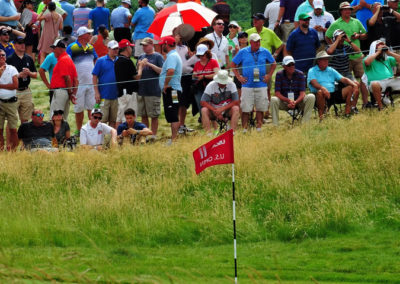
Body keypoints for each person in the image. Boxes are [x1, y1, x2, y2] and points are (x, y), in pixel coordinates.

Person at [326, 2, 369, 107]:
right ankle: (349, 104)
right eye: (345, 9)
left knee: (363, 79)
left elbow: (365, 35)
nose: (348, 11)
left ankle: (365, 103)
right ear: (341, 11)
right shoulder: (336, 23)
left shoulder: (356, 21)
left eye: (349, 9)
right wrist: (334, 45)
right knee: (346, 82)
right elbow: (327, 36)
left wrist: (358, 36)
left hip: (356, 55)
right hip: (343, 57)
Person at [231, 33, 276, 132]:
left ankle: (259, 128)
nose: (258, 43)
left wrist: (269, 75)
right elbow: (233, 64)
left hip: (261, 84)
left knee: (260, 107)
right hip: (247, 85)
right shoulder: (243, 52)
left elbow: (273, 63)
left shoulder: (265, 51)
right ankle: (245, 129)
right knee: (246, 108)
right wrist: (239, 77)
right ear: (250, 42)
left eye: (259, 41)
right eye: (255, 41)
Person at [307, 51, 358, 120]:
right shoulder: (312, 70)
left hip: (333, 93)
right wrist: (323, 88)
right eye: (324, 60)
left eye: (327, 59)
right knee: (320, 92)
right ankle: (322, 118)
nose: (327, 61)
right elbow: (313, 82)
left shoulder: (330, 70)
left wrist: (353, 84)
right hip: (319, 95)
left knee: (350, 88)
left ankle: (347, 113)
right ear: (318, 61)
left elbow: (343, 79)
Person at [66, 26, 97, 133]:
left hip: (91, 83)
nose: (90, 35)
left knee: (91, 108)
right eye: (89, 34)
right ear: (83, 35)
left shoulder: (91, 47)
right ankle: (79, 131)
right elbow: (68, 63)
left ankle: (91, 130)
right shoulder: (72, 47)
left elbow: (95, 60)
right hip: (78, 84)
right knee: (79, 109)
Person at [270, 56, 315, 125]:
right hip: (285, 102)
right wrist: (288, 101)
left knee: (311, 97)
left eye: (293, 64)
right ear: (284, 66)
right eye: (288, 65)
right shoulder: (279, 74)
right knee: (273, 99)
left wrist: (295, 102)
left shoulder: (300, 74)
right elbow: (277, 93)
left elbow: (302, 93)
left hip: (298, 101)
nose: (291, 66)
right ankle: (275, 125)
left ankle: (305, 124)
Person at [326, 29, 361, 112]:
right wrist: (337, 39)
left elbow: (358, 51)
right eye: (340, 37)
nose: (342, 39)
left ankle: (352, 107)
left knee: (356, 84)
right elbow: (329, 52)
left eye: (343, 37)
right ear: (335, 38)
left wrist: (349, 41)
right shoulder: (330, 46)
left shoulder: (346, 47)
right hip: (335, 75)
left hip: (346, 73)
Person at [137, 37, 163, 139]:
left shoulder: (157, 56)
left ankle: (153, 135)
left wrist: (148, 64)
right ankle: (146, 134)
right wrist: (140, 66)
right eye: (143, 45)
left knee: (154, 115)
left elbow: (161, 71)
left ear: (152, 45)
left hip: (153, 90)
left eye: (146, 45)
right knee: (143, 114)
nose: (144, 47)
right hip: (142, 90)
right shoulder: (140, 56)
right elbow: (137, 73)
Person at [6, 36, 36, 123]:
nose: (23, 45)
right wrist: (18, 75)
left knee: (25, 120)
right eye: (20, 43)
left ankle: (23, 137)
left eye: (23, 43)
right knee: (11, 120)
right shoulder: (9, 59)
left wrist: (29, 73)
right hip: (14, 91)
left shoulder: (29, 58)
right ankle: (11, 137)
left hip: (26, 91)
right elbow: (5, 78)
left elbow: (35, 75)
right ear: (15, 45)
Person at [363, 40, 400, 109]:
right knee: (375, 84)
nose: (382, 49)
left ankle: (386, 100)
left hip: (390, 80)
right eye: (378, 47)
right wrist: (378, 52)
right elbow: (367, 62)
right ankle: (381, 107)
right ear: (373, 49)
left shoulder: (388, 59)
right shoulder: (367, 59)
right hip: (378, 83)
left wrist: (389, 52)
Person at [158, 36, 182, 143]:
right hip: (174, 90)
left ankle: (174, 138)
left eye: (163, 44)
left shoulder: (172, 56)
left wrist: (165, 84)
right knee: (174, 113)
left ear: (166, 45)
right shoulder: (172, 55)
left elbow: (171, 71)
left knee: (173, 113)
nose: (162, 46)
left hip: (172, 90)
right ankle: (174, 137)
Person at [114, 39, 143, 127]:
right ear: (127, 48)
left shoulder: (118, 60)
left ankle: (117, 136)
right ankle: (126, 136)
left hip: (121, 92)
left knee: (120, 116)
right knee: (128, 116)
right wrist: (141, 66)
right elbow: (137, 77)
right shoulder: (127, 61)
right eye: (130, 47)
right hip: (128, 93)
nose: (131, 49)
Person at [200, 70, 239, 134]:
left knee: (236, 108)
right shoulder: (210, 85)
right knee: (204, 110)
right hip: (213, 111)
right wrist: (215, 110)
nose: (223, 84)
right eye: (221, 82)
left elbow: (236, 101)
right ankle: (208, 134)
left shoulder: (232, 85)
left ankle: (232, 133)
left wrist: (222, 109)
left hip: (227, 110)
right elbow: (203, 102)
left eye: (224, 82)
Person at [92, 40, 119, 128]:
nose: (116, 51)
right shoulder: (100, 61)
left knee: (113, 119)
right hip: (104, 95)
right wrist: (96, 92)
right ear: (108, 49)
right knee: (102, 119)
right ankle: (101, 138)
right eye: (114, 49)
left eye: (117, 49)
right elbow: (94, 76)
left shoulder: (120, 61)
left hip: (116, 96)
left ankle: (111, 138)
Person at [49, 38, 78, 121]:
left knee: (55, 118)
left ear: (60, 49)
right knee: (63, 119)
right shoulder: (69, 59)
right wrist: (72, 94)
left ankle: (56, 134)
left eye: (54, 48)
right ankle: (62, 134)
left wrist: (70, 93)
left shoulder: (63, 60)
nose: (53, 50)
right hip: (65, 92)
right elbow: (76, 81)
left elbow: (67, 78)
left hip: (60, 92)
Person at [192, 44, 219, 121]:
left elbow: (216, 74)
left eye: (202, 55)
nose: (201, 57)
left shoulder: (213, 62)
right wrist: (195, 75)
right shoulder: (197, 64)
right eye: (199, 55)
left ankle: (214, 120)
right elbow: (193, 76)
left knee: (212, 104)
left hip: (211, 87)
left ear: (207, 54)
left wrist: (204, 76)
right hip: (199, 87)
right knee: (200, 104)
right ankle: (204, 120)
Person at [0, 48, 18, 150]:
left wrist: (1, 86)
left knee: (13, 129)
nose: (2, 57)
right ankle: (1, 152)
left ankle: (14, 151)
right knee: (0, 130)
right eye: (0, 55)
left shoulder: (12, 68)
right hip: (0, 102)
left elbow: (15, 85)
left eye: (3, 55)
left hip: (11, 102)